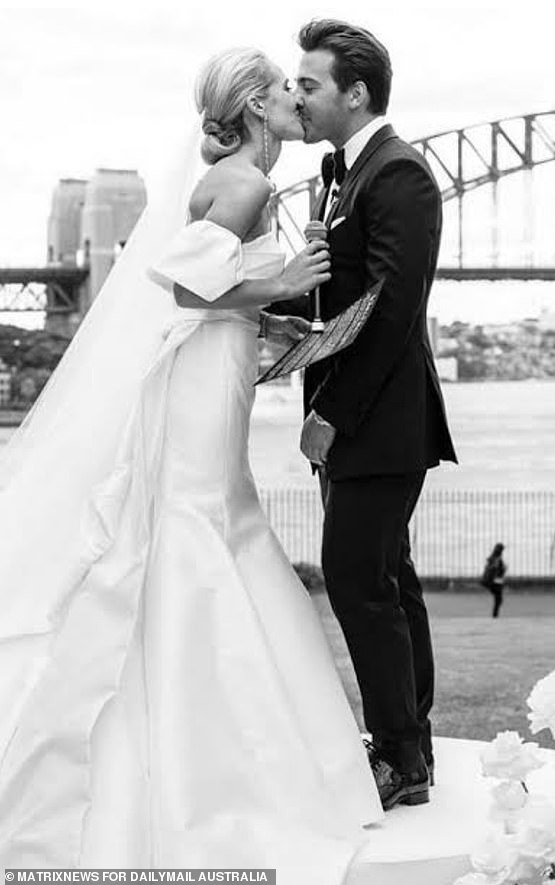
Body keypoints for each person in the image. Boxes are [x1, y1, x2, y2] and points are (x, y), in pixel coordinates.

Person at [0, 49, 382, 875]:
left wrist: (273, 306)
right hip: (205, 381)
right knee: (202, 522)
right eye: (284, 87)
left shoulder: (241, 179)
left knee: (215, 517)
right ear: (251, 104)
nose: (295, 98)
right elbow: (182, 287)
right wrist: (280, 282)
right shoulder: (242, 182)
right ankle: (204, 759)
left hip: (218, 369)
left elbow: (211, 290)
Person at [273, 19, 457, 811]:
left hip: (379, 421)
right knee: (388, 577)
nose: (295, 95)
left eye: (308, 84)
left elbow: (388, 313)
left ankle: (399, 758)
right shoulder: (343, 171)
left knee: (356, 580)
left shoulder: (399, 175)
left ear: (356, 93)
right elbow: (338, 295)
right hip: (364, 420)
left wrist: (332, 417)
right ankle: (408, 742)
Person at [481, 543, 507, 618]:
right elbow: (496, 569)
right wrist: (503, 569)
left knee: (498, 599)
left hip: (494, 581)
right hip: (496, 581)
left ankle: (495, 615)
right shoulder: (497, 558)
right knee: (499, 599)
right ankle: (495, 615)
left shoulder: (493, 557)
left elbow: (491, 567)